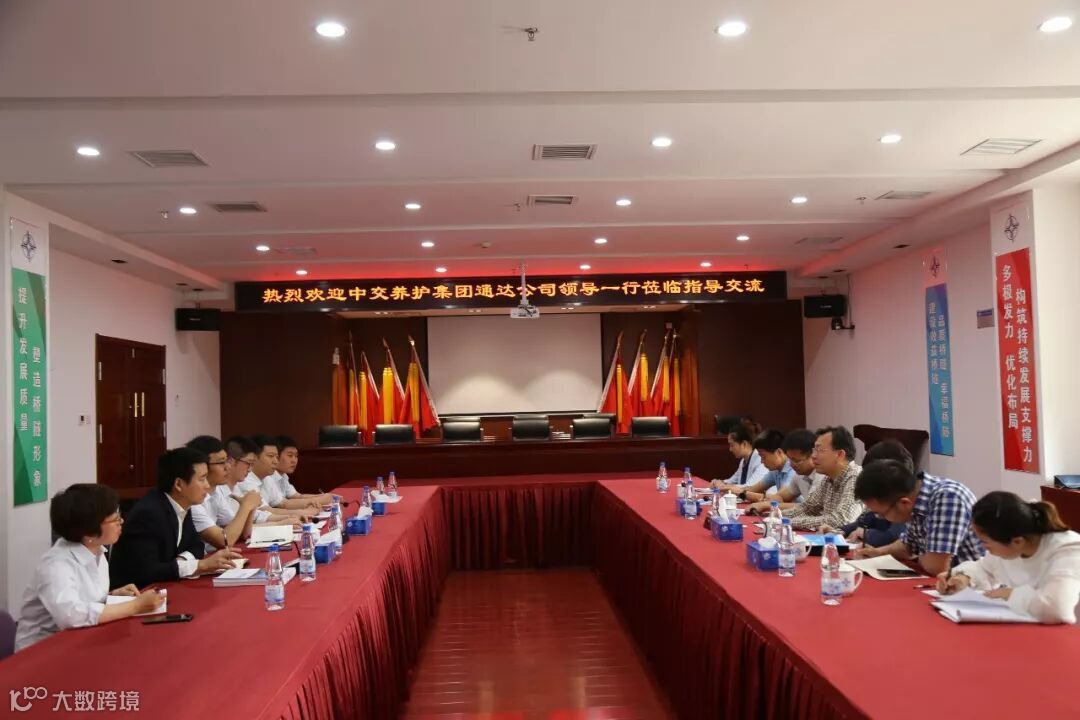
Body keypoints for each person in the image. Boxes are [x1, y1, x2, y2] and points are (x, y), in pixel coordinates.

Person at [15, 484, 166, 651]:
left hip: (81, 640)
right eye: (115, 518)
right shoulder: (55, 565)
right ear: (89, 533)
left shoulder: (97, 551)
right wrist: (135, 606)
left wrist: (110, 596)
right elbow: (70, 615)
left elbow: (83, 601)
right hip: (41, 650)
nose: (121, 521)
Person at [937, 492, 1080, 624]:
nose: (983, 547)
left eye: (985, 542)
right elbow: (984, 568)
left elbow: (1056, 608)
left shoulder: (1068, 549)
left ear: (1017, 542)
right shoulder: (1012, 540)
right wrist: (963, 578)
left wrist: (1009, 594)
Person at [109, 447, 241, 588]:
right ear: (178, 484)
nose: (207, 485)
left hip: (166, 585)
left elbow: (197, 545)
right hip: (137, 593)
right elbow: (147, 571)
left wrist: (182, 561)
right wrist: (199, 565)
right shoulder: (148, 514)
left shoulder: (182, 503)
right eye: (202, 479)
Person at [853, 459, 983, 576]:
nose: (880, 517)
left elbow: (936, 567)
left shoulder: (948, 498)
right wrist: (878, 552)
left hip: (977, 588)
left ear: (904, 503)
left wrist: (918, 555)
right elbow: (908, 546)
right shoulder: (916, 499)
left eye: (881, 514)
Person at [821, 439, 908, 548]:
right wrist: (840, 531)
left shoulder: (903, 505)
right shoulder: (881, 502)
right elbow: (863, 521)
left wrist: (865, 534)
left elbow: (894, 537)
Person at [187, 435, 265, 551]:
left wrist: (251, 508)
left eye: (227, 461)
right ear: (203, 466)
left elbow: (243, 533)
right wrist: (245, 506)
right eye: (221, 462)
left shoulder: (216, 492)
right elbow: (225, 540)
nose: (228, 467)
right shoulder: (192, 502)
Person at [785, 426, 863, 531]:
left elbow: (841, 520)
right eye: (814, 450)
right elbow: (807, 507)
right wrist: (776, 517)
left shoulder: (856, 477)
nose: (813, 456)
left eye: (819, 450)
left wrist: (790, 522)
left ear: (840, 454)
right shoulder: (828, 479)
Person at [745, 428, 821, 514]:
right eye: (790, 459)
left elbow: (809, 508)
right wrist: (770, 502)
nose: (792, 465)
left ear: (813, 455)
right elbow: (781, 496)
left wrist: (767, 505)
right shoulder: (799, 475)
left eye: (797, 461)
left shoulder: (821, 475)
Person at [236, 434, 314, 517]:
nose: (276, 461)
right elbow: (265, 510)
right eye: (270, 456)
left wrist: (311, 503)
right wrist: (302, 513)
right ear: (254, 458)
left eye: (276, 457)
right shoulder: (245, 479)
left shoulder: (267, 478)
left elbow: (284, 503)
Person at [268, 436, 333, 509]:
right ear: (277, 456)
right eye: (290, 455)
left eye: (296, 456)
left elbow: (298, 496)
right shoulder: (268, 477)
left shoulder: (283, 475)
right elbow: (284, 504)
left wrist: (324, 496)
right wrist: (320, 500)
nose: (294, 460)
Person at [714, 418, 767, 487]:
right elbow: (731, 481)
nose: (730, 449)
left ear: (744, 444)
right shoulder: (743, 461)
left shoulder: (760, 460)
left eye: (732, 445)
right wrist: (719, 482)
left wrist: (724, 486)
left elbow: (750, 487)